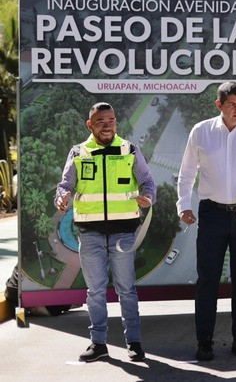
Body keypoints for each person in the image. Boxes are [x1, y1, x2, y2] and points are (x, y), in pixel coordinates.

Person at [176, 82, 236, 361]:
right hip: (212, 213)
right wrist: (183, 205)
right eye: (232, 104)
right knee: (207, 280)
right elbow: (186, 173)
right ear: (218, 105)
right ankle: (204, 342)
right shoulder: (201, 131)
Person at [55, 102, 156, 362]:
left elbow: (147, 181)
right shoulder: (78, 152)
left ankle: (133, 342)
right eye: (101, 121)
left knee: (126, 289)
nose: (107, 125)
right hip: (90, 234)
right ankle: (98, 343)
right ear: (90, 125)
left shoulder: (130, 149)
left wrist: (148, 196)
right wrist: (62, 196)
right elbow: (65, 184)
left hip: (124, 233)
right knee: (95, 291)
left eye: (111, 120)